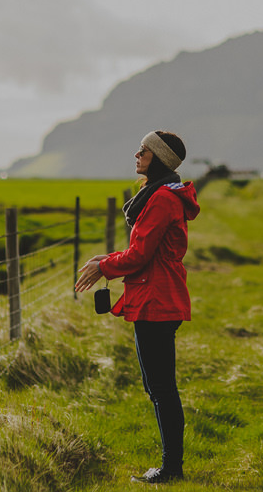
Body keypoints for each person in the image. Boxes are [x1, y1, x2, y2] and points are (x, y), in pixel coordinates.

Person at [75, 130, 200, 485]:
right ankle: (171, 465)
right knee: (158, 385)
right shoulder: (160, 195)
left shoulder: (161, 200)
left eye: (144, 150)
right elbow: (147, 250)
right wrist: (110, 258)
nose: (137, 154)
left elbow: (142, 254)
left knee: (161, 388)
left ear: (158, 159)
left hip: (156, 300)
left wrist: (105, 266)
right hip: (155, 296)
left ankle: (171, 469)